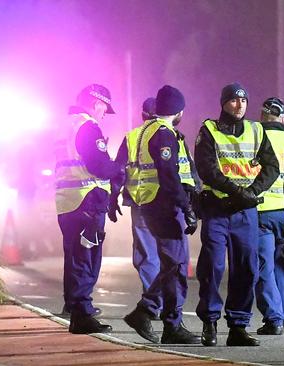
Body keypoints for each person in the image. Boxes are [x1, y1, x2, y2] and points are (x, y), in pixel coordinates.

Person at [108, 86, 200, 344]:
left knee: (171, 263)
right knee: (175, 264)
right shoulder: (164, 134)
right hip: (163, 204)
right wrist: (187, 208)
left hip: (146, 202)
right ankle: (151, 313)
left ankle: (168, 322)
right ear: (179, 111)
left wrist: (113, 197)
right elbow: (169, 176)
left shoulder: (144, 131)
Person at [194, 82, 279, 347]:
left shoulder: (256, 130)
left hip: (245, 211)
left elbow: (272, 166)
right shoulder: (208, 130)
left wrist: (252, 191)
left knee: (247, 268)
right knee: (213, 266)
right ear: (223, 103)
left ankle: (238, 326)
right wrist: (236, 191)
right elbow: (206, 169)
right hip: (218, 209)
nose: (239, 105)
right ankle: (209, 321)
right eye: (233, 100)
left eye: (243, 100)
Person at [54, 84, 124, 334]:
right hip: (87, 200)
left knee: (75, 257)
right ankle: (82, 314)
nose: (104, 114)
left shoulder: (64, 125)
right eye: (105, 109)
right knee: (86, 259)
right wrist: (119, 166)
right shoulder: (87, 126)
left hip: (66, 200)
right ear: (97, 103)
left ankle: (75, 308)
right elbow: (99, 167)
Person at [254, 97, 284, 335]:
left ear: (263, 116)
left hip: (262, 210)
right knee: (282, 264)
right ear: (283, 118)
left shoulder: (254, 136)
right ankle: (283, 314)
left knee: (263, 265)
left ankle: (273, 317)